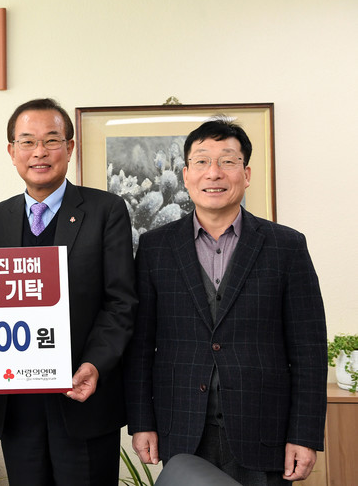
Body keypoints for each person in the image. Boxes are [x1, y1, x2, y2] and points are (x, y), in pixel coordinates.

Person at [124, 118, 327, 485]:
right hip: (182, 427)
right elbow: (140, 346)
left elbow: (309, 351)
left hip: (265, 431)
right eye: (201, 161)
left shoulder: (287, 246)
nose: (213, 172)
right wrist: (142, 422)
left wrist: (305, 435)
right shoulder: (155, 247)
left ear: (246, 174)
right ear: (186, 175)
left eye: (228, 161)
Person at [0, 98, 137, 485]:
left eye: (51, 140)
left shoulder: (106, 211)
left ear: (70, 147)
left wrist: (94, 364)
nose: (39, 152)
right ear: (12, 151)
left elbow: (121, 302)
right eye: (27, 141)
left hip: (84, 398)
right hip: (18, 406)